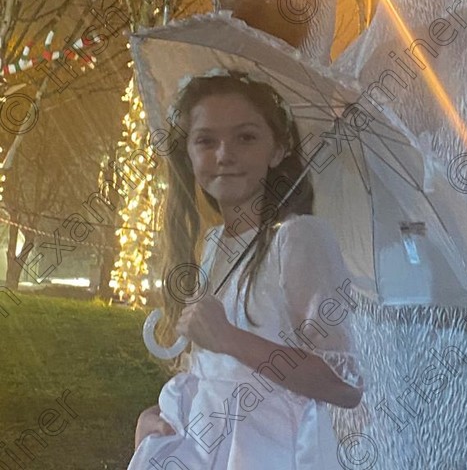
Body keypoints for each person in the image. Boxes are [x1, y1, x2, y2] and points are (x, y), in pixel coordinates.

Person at [128, 68, 364, 469]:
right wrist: (152, 420)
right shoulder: (216, 244)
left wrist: (229, 338)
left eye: (246, 137)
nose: (224, 154)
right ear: (188, 152)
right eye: (206, 140)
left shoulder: (298, 239)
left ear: (277, 150)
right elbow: (210, 371)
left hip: (269, 450)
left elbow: (343, 384)